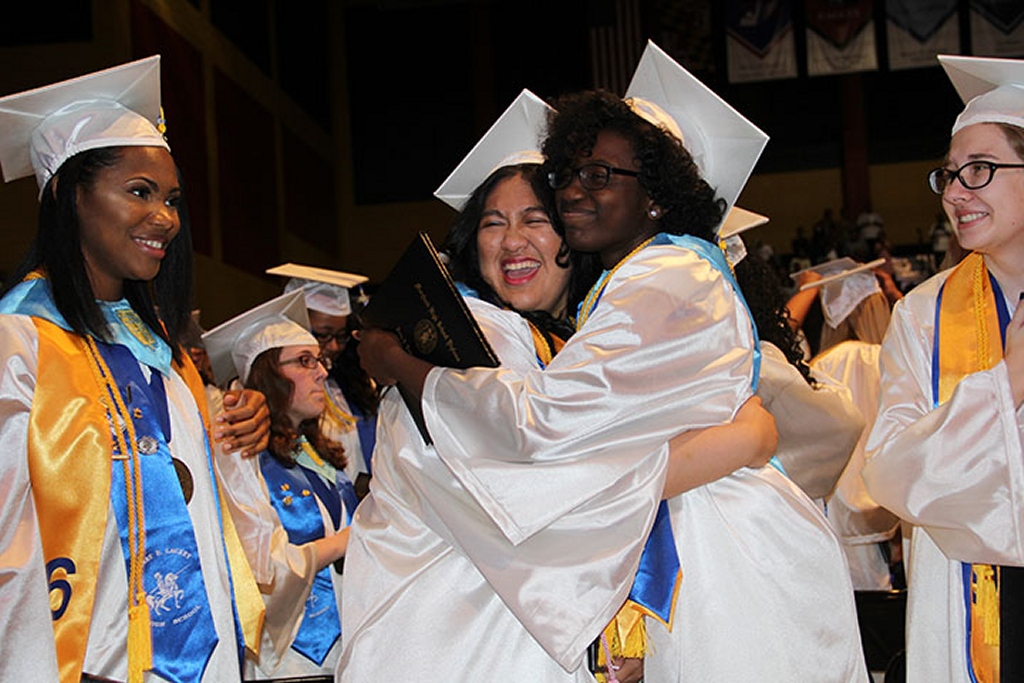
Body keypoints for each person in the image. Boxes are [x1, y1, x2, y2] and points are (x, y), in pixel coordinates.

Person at [358, 43, 866, 682]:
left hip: (697, 580)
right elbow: (528, 480)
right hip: (456, 642)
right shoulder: (477, 334)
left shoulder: (653, 284)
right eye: (492, 223)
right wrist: (738, 442)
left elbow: (555, 447)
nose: (517, 240)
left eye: (539, 218)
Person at [0, 57, 267, 682]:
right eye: (139, 192)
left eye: (172, 199)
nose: (166, 218)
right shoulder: (19, 344)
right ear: (69, 194)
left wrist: (236, 434)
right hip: (91, 661)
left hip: (206, 655)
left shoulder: (163, 355)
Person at [863, 54, 1024, 682]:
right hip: (975, 600)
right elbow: (891, 471)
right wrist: (1006, 383)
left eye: (979, 170)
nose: (955, 193)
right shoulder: (924, 315)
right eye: (950, 175)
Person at [203, 291, 353, 681]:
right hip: (286, 663)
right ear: (268, 373)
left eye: (320, 360)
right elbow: (260, 572)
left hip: (348, 654)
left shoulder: (321, 460)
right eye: (305, 361)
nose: (322, 371)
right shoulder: (241, 458)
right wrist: (347, 541)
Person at [270, 265, 377, 496]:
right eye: (323, 334)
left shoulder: (351, 386)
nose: (334, 346)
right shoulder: (280, 396)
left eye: (340, 336)